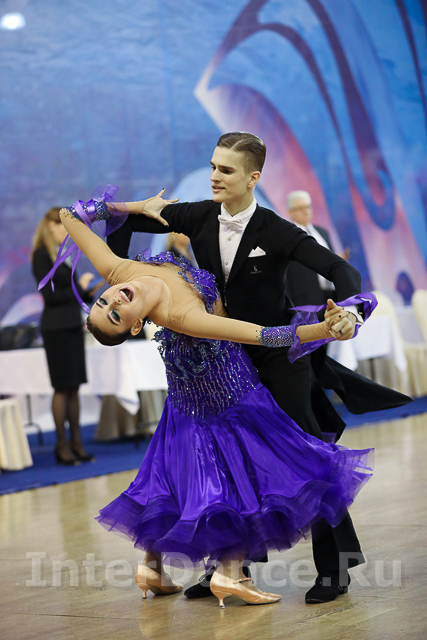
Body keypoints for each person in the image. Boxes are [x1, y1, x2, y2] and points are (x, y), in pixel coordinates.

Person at [105, 131, 410, 603]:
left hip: (278, 356)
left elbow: (341, 271)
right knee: (224, 462)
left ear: (253, 178)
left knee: (308, 457)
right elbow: (124, 224)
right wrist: (129, 237)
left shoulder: (277, 230)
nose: (214, 176)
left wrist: (350, 311)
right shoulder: (198, 215)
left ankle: (336, 568)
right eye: (212, 166)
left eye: (225, 170)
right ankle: (228, 568)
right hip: (226, 361)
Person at [53, 197, 377, 608]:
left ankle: (327, 568)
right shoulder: (184, 304)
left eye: (105, 301)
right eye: (114, 314)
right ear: (135, 326)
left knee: (289, 458)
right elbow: (263, 335)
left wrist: (138, 204)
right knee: (225, 470)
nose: (113, 301)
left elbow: (68, 214)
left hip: (251, 368)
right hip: (220, 378)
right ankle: (226, 571)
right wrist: (323, 330)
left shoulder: (122, 271)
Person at [31, 207, 98, 465]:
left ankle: (77, 444)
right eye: (63, 225)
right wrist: (78, 288)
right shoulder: (41, 255)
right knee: (62, 387)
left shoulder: (63, 254)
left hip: (71, 325)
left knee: (74, 387)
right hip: (56, 328)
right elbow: (50, 296)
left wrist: (87, 293)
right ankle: (62, 446)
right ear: (50, 225)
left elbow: (70, 294)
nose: (67, 231)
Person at [285, 190, 348, 307]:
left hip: (331, 296)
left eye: (308, 207)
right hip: (306, 301)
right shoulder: (287, 238)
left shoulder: (322, 232)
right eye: (300, 208)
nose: (306, 211)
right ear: (290, 212)